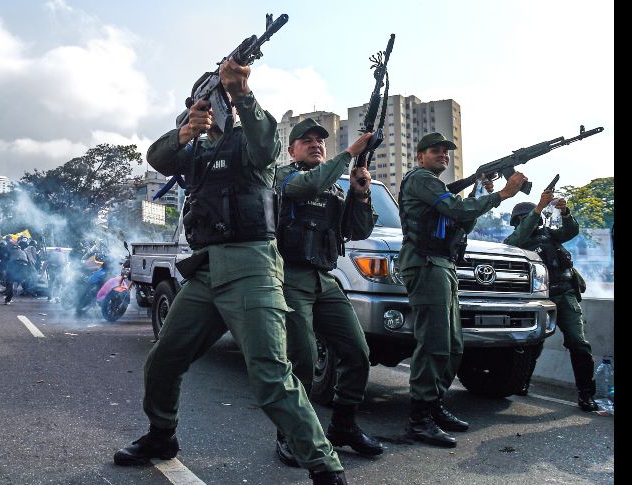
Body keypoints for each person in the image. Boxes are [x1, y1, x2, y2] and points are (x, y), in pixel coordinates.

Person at [113, 58, 347, 484]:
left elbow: (266, 145)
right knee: (164, 359)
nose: (212, 111)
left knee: (271, 374)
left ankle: (325, 468)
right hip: (207, 270)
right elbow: (158, 157)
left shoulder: (249, 141)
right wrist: (185, 130)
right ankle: (161, 435)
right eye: (202, 104)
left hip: (252, 266)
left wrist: (241, 92)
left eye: (214, 103)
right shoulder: (196, 150)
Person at [398, 132, 526, 448]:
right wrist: (502, 195)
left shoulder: (437, 188)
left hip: (443, 265)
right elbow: (458, 211)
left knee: (453, 344)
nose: (443, 154)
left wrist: (479, 190)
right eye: (435, 150)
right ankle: (419, 419)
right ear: (420, 156)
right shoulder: (421, 179)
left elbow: (462, 222)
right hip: (426, 264)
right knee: (434, 342)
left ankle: (434, 405)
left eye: (446, 150)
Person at [272, 118, 384, 466]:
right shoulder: (281, 177)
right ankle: (291, 434)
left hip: (325, 278)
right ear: (291, 150)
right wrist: (350, 154)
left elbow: (356, 230)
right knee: (302, 357)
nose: (315, 144)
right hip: (290, 277)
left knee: (356, 352)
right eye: (305, 141)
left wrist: (361, 192)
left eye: (320, 141)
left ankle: (344, 425)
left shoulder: (334, 187)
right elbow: (305, 187)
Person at [504, 191, 599, 411]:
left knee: (578, 343)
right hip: (539, 297)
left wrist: (564, 212)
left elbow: (571, 230)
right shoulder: (516, 242)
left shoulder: (550, 234)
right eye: (528, 217)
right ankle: (522, 382)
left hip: (564, 293)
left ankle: (586, 394)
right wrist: (538, 208)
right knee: (531, 343)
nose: (535, 221)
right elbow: (515, 238)